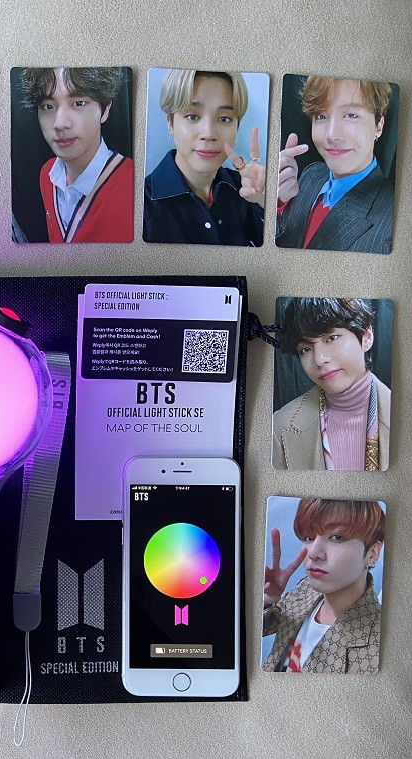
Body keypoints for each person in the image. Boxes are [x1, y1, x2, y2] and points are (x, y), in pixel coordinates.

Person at [143, 69, 264, 246]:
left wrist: (267, 204)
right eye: (192, 116)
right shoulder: (140, 203)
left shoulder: (250, 190)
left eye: (224, 119)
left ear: (237, 126)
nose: (208, 133)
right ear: (170, 122)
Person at [262, 498, 384, 674]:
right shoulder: (305, 589)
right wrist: (266, 600)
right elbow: (258, 629)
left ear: (372, 553)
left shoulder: (378, 646)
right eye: (308, 538)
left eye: (336, 537)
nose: (313, 553)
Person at [275, 77, 394, 254]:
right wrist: (275, 202)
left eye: (351, 115)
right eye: (320, 116)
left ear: (378, 126)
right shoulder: (312, 173)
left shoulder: (394, 220)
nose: (331, 135)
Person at [272, 298, 390, 470]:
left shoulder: (405, 415)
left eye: (332, 338)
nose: (319, 360)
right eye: (305, 349)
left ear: (366, 337)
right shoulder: (280, 425)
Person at [20, 67, 133, 243]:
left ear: (105, 110)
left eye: (78, 103)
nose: (60, 123)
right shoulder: (47, 174)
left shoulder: (133, 185)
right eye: (48, 106)